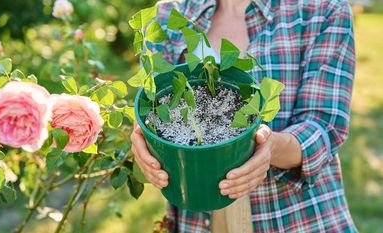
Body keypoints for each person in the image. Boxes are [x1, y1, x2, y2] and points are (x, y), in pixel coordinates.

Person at [130, 0, 357, 232]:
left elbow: (324, 128)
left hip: (294, 216)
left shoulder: (322, 10)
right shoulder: (168, 15)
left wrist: (269, 148)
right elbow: (152, 108)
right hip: (197, 217)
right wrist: (143, 141)